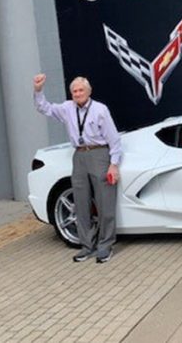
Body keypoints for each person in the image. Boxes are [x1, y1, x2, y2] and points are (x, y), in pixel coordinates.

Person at [33, 73, 122, 263]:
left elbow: (114, 139)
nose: (77, 94)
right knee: (80, 203)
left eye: (81, 90)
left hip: (99, 153)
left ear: (88, 92)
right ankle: (87, 246)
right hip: (79, 155)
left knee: (105, 202)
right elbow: (44, 107)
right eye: (74, 91)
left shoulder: (100, 109)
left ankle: (105, 246)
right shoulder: (67, 108)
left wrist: (114, 164)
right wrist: (38, 90)